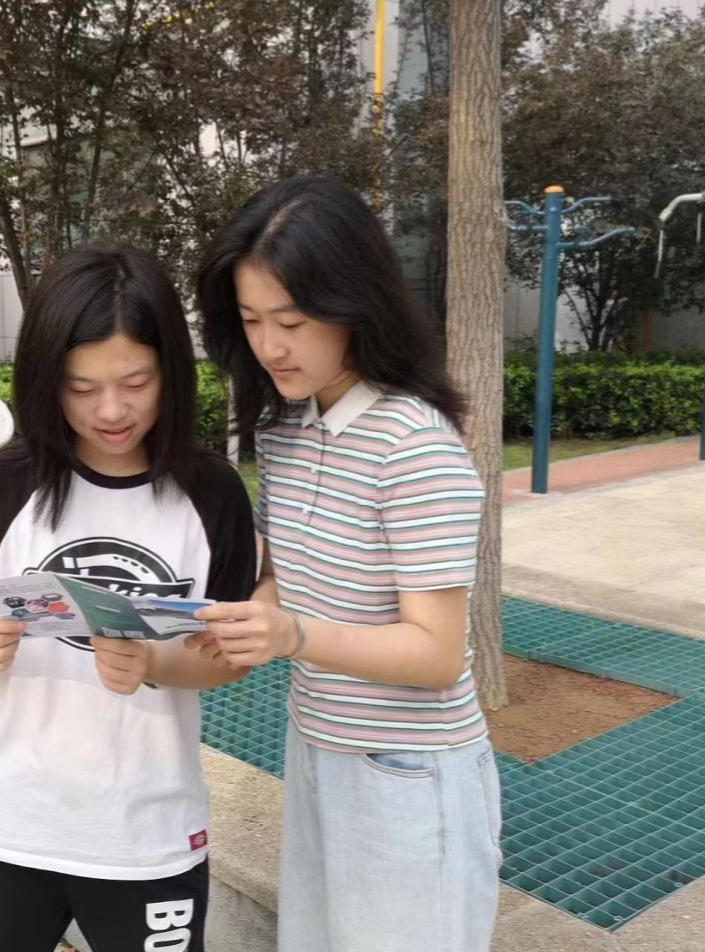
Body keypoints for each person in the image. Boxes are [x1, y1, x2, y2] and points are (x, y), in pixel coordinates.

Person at [192, 176, 501, 952]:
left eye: (292, 321)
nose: (270, 346)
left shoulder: (414, 447)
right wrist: (249, 615)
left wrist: (291, 635)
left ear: (353, 304)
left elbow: (436, 654)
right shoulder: (286, 428)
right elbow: (285, 575)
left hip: (409, 768)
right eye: (252, 320)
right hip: (316, 742)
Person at [0, 245, 256, 952]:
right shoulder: (5, 484)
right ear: (46, 381)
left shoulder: (211, 493)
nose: (111, 410)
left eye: (136, 382)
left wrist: (154, 664)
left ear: (170, 370)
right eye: (80, 388)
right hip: (8, 822)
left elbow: (227, 658)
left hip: (148, 833)